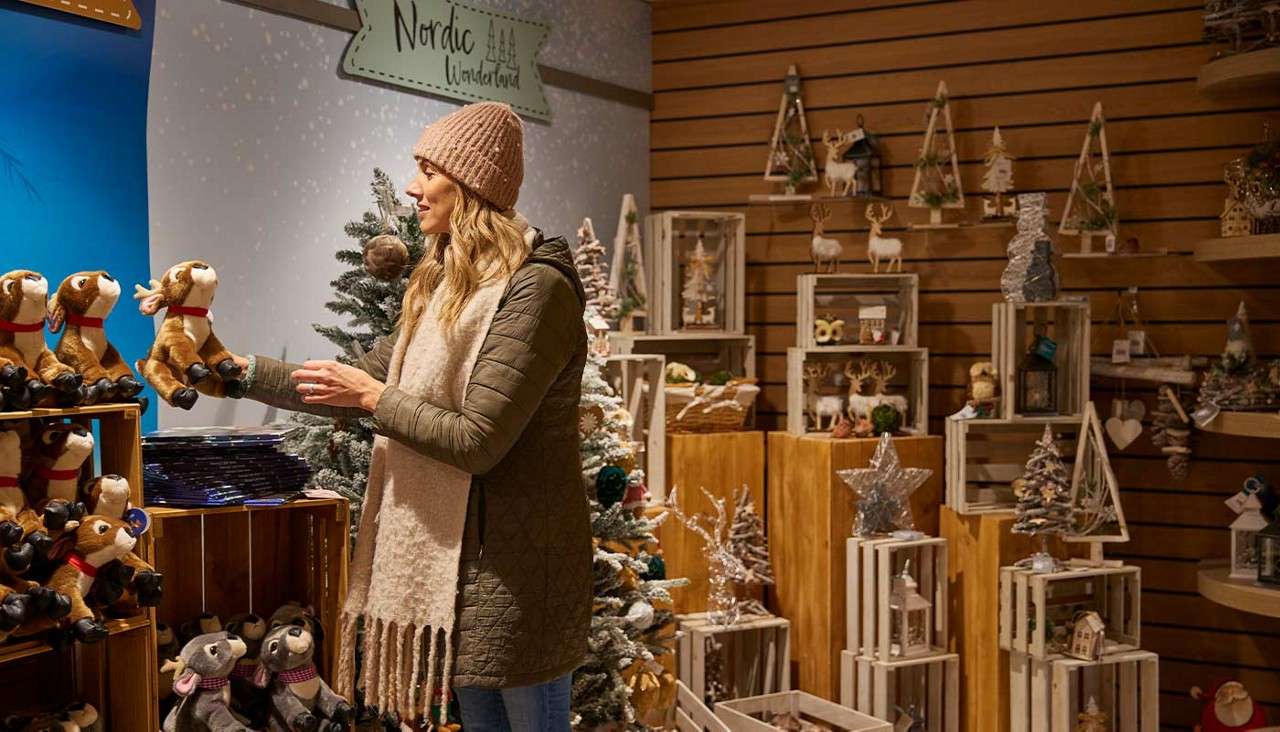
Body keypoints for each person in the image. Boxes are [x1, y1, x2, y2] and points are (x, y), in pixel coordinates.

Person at [228, 102, 591, 731]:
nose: (413, 186)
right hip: (462, 570)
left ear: (470, 185)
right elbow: (341, 378)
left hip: (518, 572)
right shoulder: (449, 285)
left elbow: (479, 439)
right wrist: (228, 366)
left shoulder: (538, 290)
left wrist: (372, 397)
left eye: (428, 170)